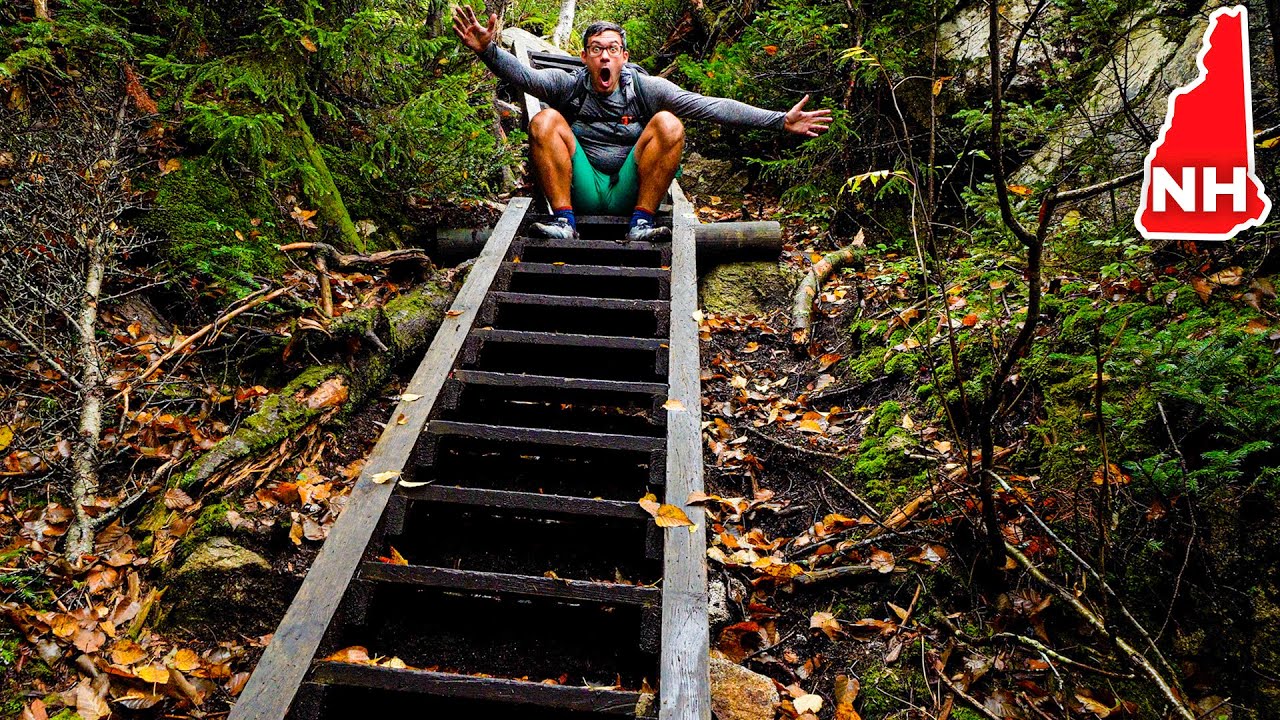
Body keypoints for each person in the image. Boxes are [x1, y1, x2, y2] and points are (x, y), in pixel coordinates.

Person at [452, 7, 832, 241]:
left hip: (630, 190)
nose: (605, 56)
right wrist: (489, 49)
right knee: (545, 120)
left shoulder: (644, 88)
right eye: (597, 49)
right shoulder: (569, 85)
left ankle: (641, 224)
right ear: (584, 56)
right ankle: (564, 222)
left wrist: (779, 120)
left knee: (669, 123)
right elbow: (525, 78)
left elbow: (709, 106)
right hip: (583, 188)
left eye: (612, 49)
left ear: (624, 56)